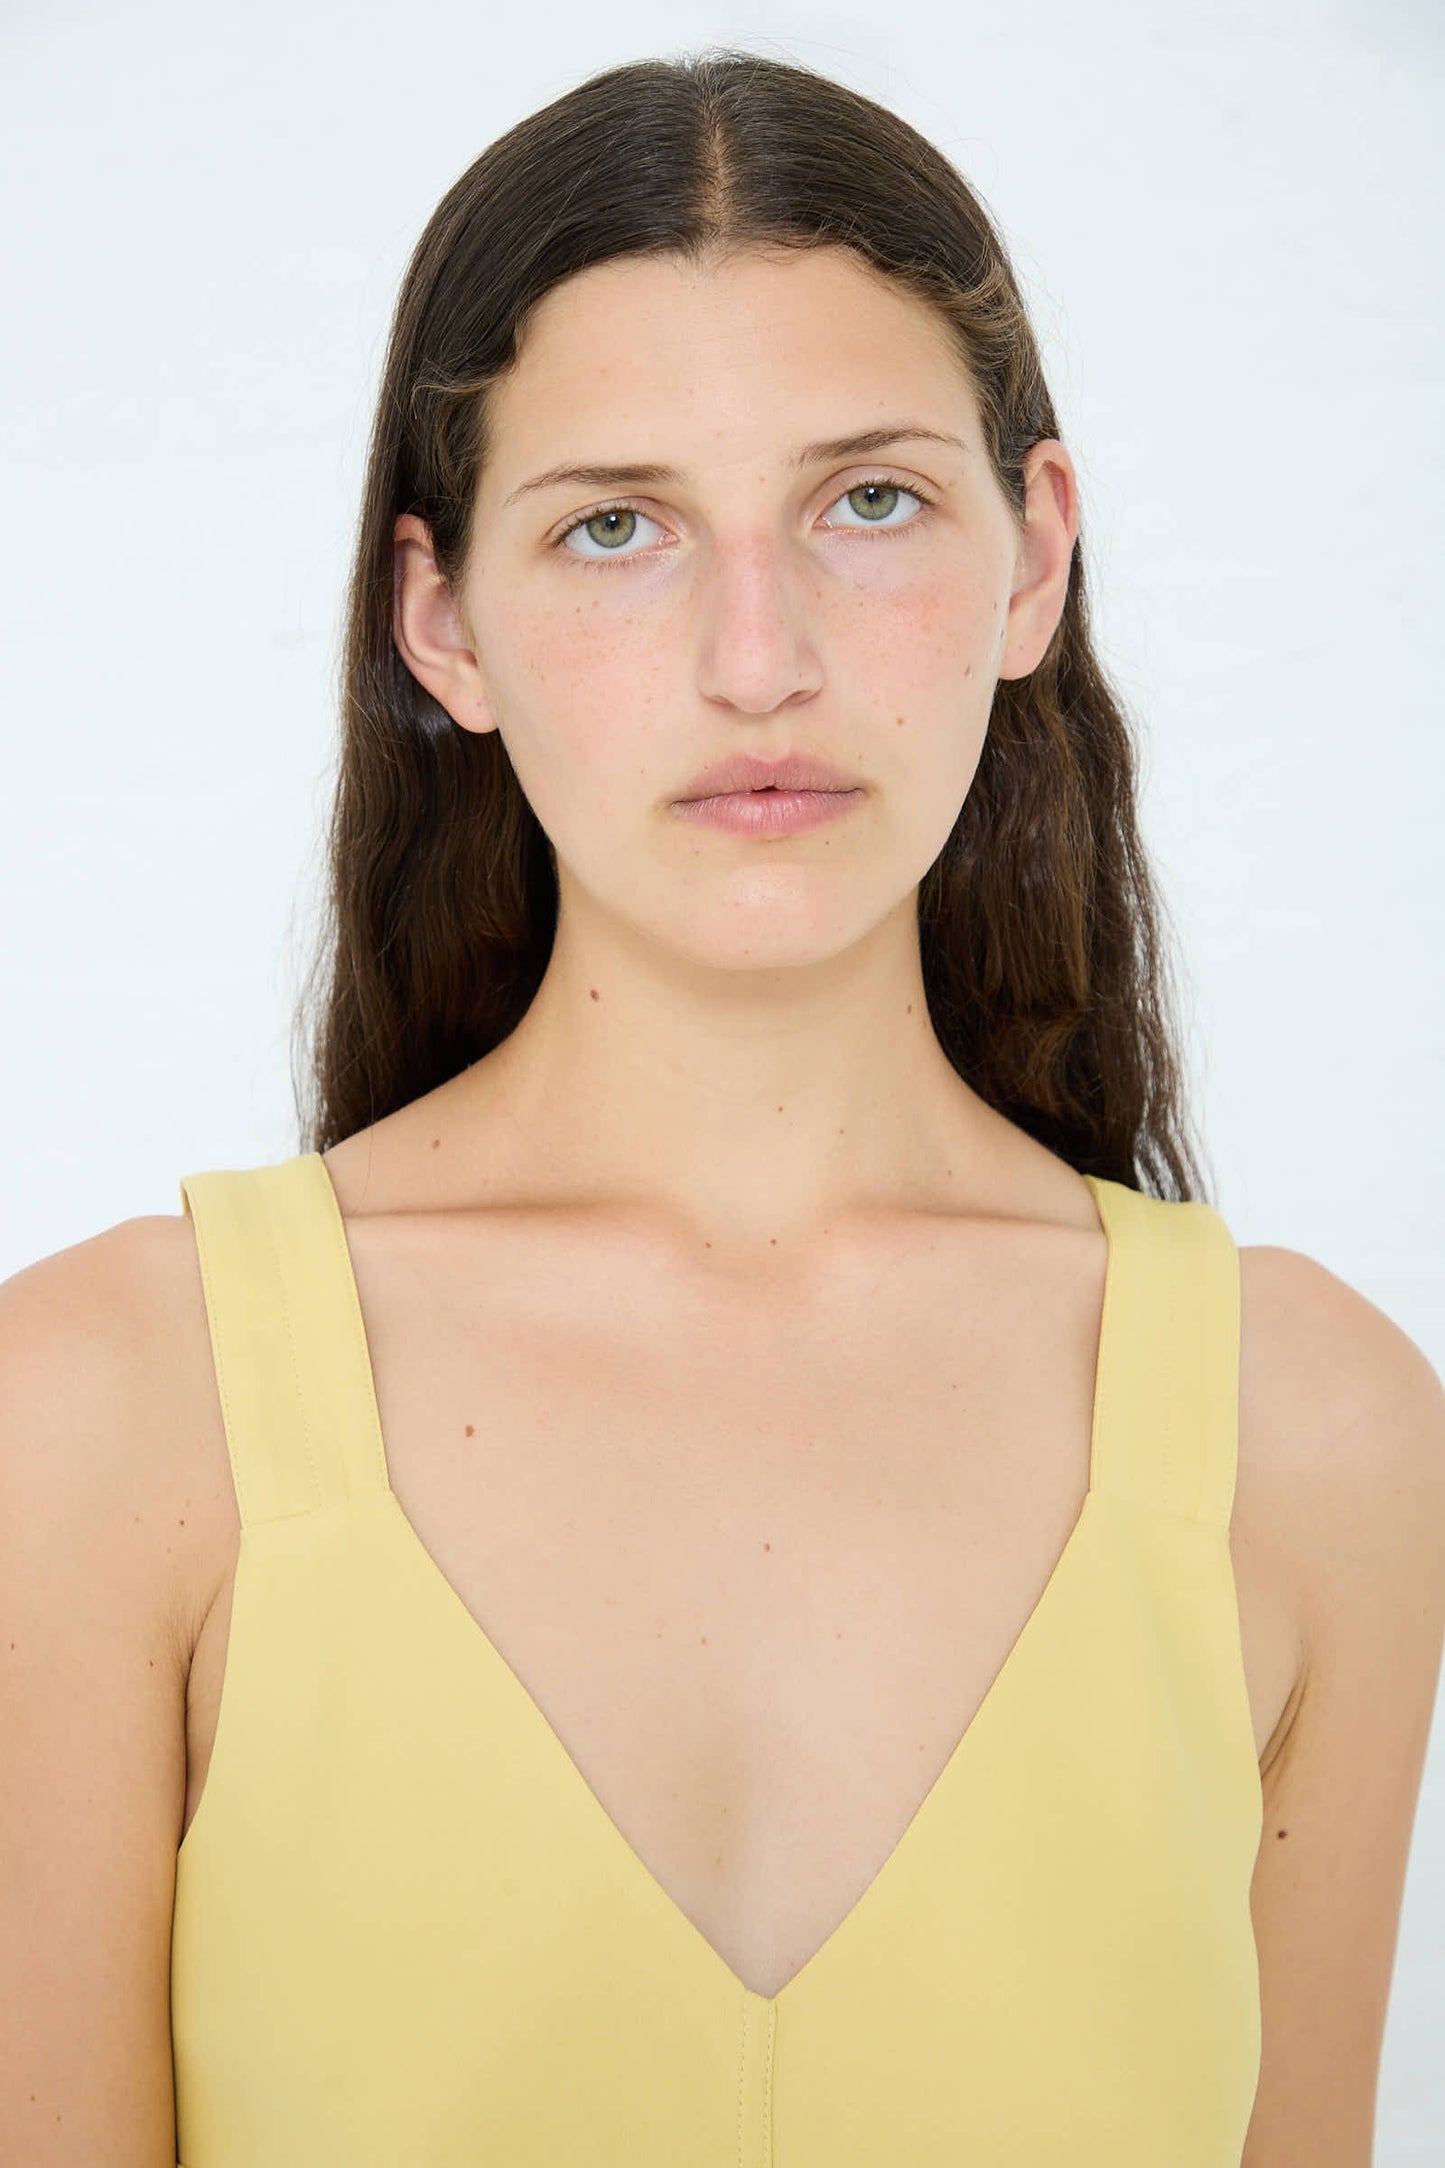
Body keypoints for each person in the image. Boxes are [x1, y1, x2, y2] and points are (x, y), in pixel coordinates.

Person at [3, 46, 1442, 2168]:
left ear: (1032, 557)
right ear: (443, 621)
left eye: (870, 502)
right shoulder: (106, 1416)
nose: (757, 658)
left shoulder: (1314, 1430)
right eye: (614, 529)